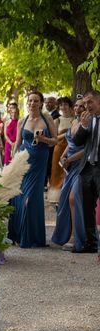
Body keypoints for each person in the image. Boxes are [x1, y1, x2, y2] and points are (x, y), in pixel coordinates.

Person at [8, 91, 57, 248]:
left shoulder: (47, 118)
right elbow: (17, 143)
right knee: (19, 195)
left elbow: (55, 141)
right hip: (23, 160)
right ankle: (18, 234)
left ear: (41, 103)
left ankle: (31, 237)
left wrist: (43, 139)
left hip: (39, 161)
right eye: (30, 101)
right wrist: (13, 163)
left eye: (36, 101)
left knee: (31, 197)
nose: (32, 103)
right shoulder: (22, 121)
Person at [51, 97, 93, 251]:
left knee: (73, 199)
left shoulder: (90, 124)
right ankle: (66, 234)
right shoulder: (74, 122)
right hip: (69, 165)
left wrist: (70, 158)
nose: (77, 108)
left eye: (81, 106)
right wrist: (63, 155)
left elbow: (87, 149)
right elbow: (70, 142)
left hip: (82, 165)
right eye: (76, 106)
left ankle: (77, 237)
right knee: (64, 201)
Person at [71, 89, 100, 254]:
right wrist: (83, 126)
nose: (87, 106)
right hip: (87, 167)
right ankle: (91, 243)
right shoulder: (87, 119)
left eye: (90, 102)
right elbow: (76, 142)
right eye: (85, 103)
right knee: (87, 206)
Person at [48, 97, 75, 203]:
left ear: (69, 106)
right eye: (61, 105)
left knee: (69, 172)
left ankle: (68, 195)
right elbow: (54, 138)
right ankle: (55, 197)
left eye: (65, 105)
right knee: (56, 172)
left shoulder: (74, 119)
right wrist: (66, 134)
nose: (63, 107)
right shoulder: (57, 120)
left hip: (71, 149)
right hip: (59, 149)